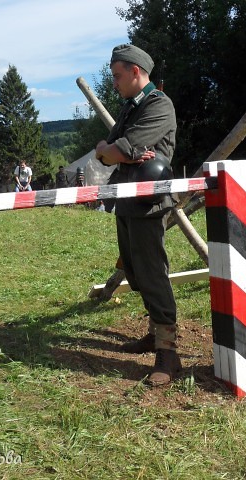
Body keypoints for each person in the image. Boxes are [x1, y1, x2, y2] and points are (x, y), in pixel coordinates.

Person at [95, 44, 179, 386]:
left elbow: (120, 149)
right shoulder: (131, 107)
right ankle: (152, 334)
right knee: (134, 270)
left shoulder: (159, 105)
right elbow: (106, 151)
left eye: (117, 76)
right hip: (126, 199)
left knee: (152, 272)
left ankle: (169, 353)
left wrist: (119, 153)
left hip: (148, 202)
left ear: (135, 72)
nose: (114, 83)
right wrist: (116, 153)